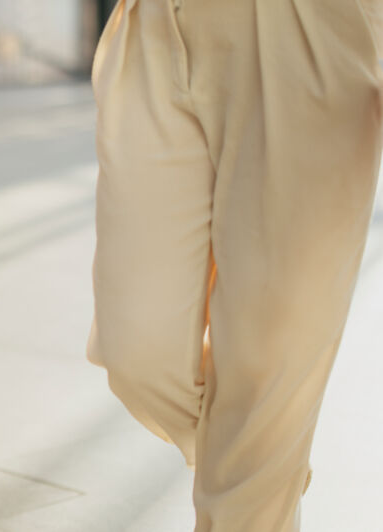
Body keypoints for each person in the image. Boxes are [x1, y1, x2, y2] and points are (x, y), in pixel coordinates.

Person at [87, 1, 382, 530]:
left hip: (309, 29)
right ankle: (268, 462)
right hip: (153, 21)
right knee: (138, 357)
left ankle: (262, 475)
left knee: (266, 375)